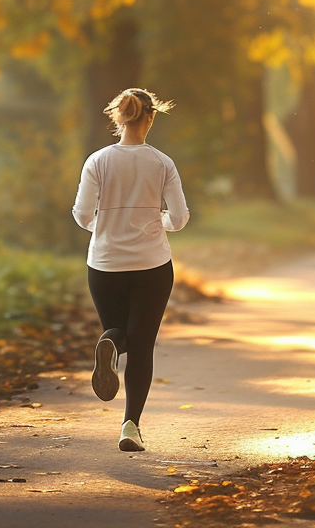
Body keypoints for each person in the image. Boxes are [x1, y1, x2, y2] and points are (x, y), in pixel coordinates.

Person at [72, 87, 189, 452]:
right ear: (149, 118)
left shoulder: (98, 161)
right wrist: (158, 223)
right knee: (142, 345)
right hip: (152, 265)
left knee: (119, 331)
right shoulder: (162, 163)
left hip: (104, 265)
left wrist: (105, 230)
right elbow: (181, 218)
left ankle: (108, 342)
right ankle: (130, 427)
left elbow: (81, 214)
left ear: (118, 118)